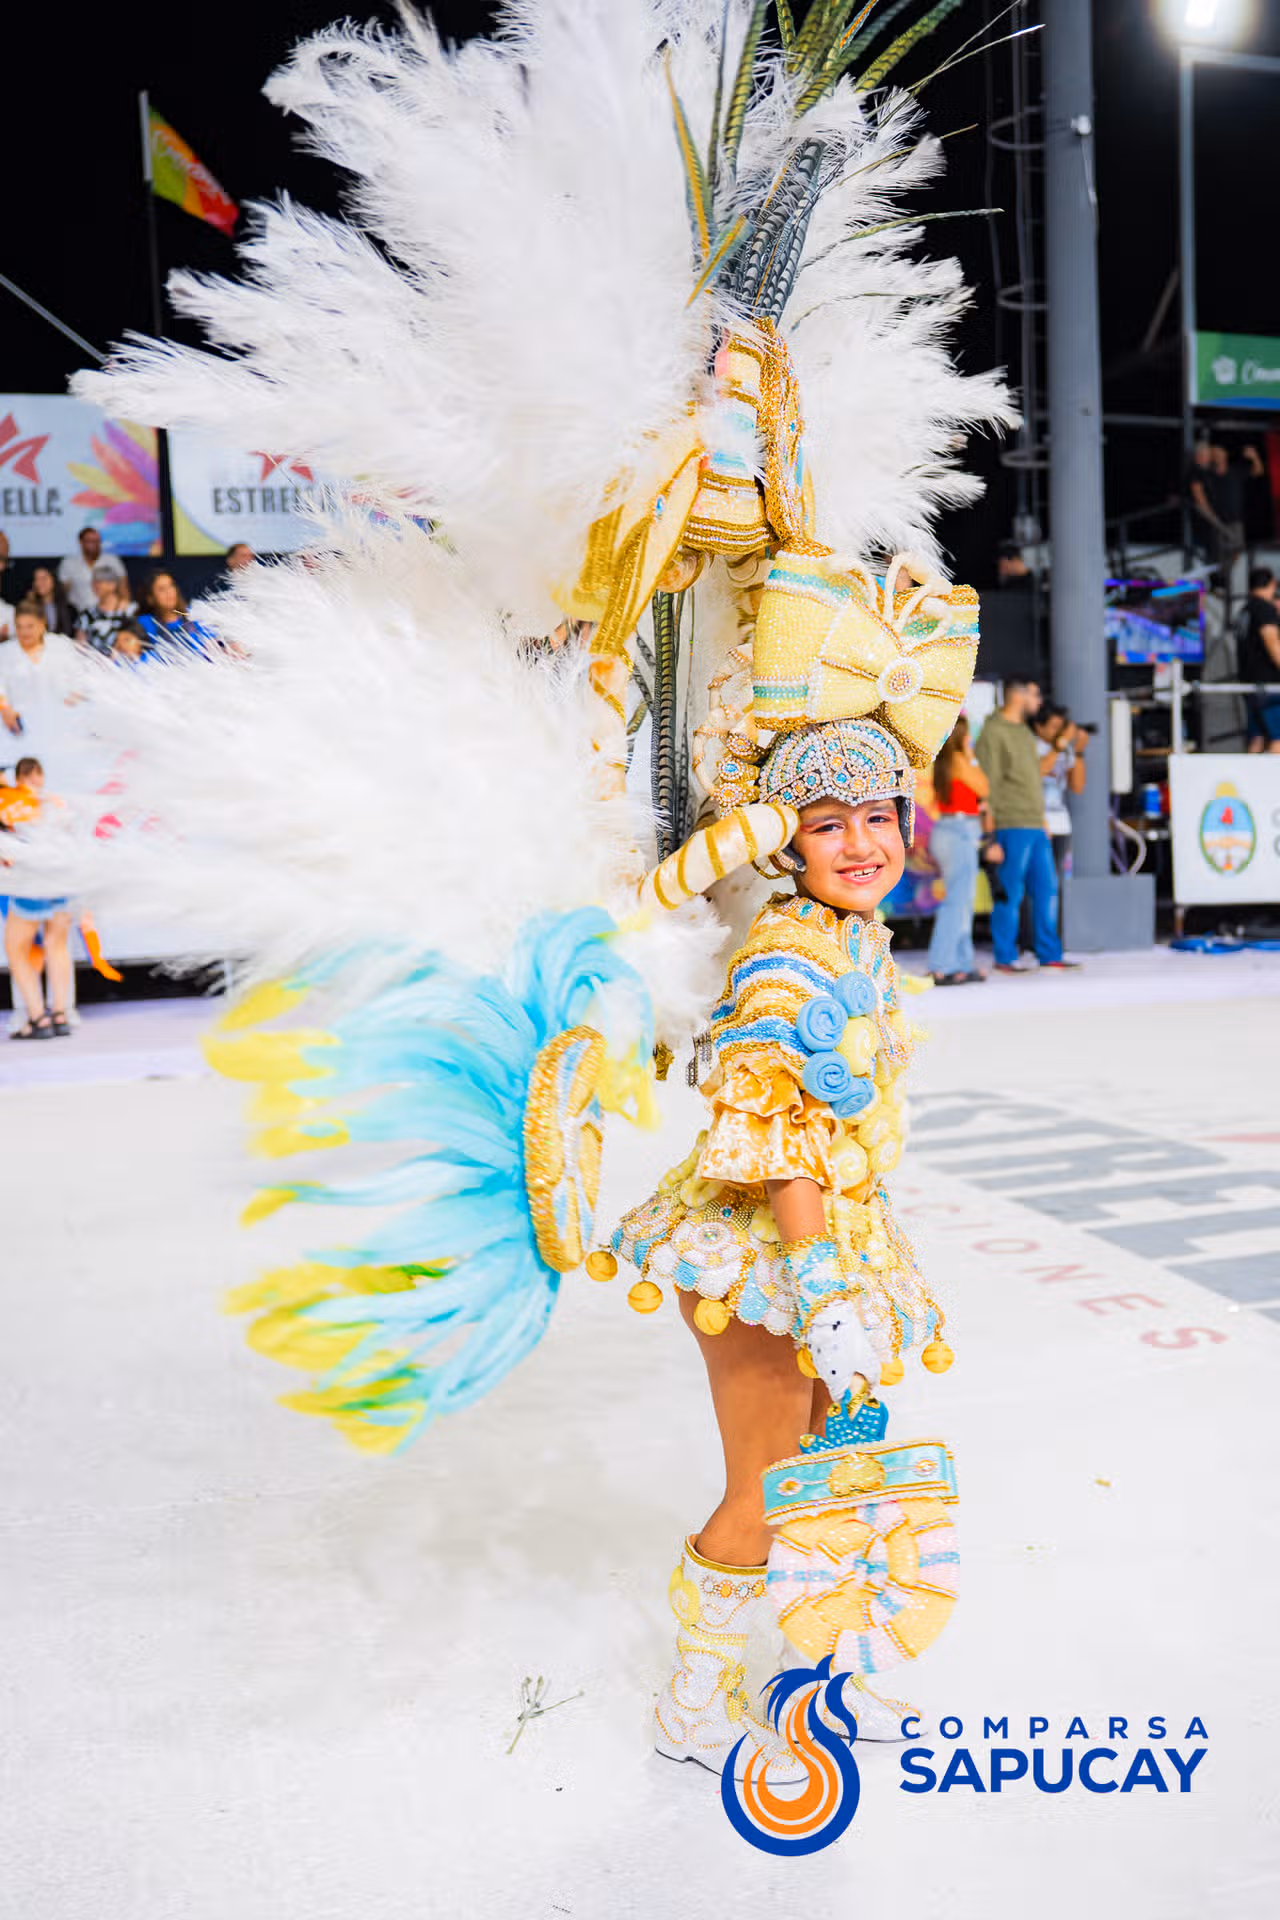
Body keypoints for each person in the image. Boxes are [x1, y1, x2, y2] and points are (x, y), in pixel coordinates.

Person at [612, 717, 952, 1776]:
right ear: (783, 848)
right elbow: (772, 1146)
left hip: (831, 1244)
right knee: (761, 1487)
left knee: (822, 1469)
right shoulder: (782, 959)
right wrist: (822, 1290)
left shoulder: (850, 936)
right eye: (825, 825)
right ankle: (689, 1699)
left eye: (874, 817)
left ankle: (810, 1674)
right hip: (764, 1259)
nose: (860, 842)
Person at [975, 676, 1077, 973]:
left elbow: (1033, 777)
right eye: (1035, 695)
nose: (1040, 702)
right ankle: (1005, 957)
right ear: (1018, 696)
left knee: (1047, 890)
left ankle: (1049, 953)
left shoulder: (1022, 731)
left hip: (1034, 824)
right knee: (1010, 893)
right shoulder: (993, 732)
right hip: (1010, 823)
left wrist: (1042, 819)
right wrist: (990, 836)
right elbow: (986, 784)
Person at [0, 757, 74, 1039]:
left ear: (18, 778)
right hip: (63, 881)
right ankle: (60, 1014)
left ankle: (37, 1018)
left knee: (17, 951)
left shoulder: (7, 803)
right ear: (39, 776)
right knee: (57, 945)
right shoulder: (53, 802)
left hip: (30, 882)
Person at [927, 714, 991, 985]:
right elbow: (985, 787)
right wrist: (971, 756)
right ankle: (941, 965)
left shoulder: (946, 761)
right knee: (957, 902)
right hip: (959, 832)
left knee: (962, 901)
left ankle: (962, 964)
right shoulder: (958, 760)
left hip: (954, 831)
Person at [1033, 702, 1087, 891]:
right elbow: (1036, 772)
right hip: (1037, 823)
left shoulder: (1065, 749)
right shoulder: (1031, 746)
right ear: (1039, 727)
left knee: (1055, 882)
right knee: (1038, 881)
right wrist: (1060, 744)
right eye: (1054, 727)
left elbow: (1077, 786)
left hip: (1061, 823)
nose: (1059, 733)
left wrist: (1078, 751)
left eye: (1061, 727)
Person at [1237, 567, 1280, 752]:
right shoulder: (1264, 608)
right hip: (1268, 686)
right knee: (1278, 739)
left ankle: (1249, 779)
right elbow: (1273, 644)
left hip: (1250, 684)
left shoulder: (1245, 610)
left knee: (1256, 739)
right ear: (1271, 584)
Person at [137, 571, 220, 659]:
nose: (168, 592)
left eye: (171, 586)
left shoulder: (193, 615)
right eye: (161, 589)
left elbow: (214, 643)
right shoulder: (145, 622)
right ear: (151, 598)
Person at [58, 526, 127, 620]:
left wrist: (123, 606)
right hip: (78, 613)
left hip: (109, 612)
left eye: (97, 541)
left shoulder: (112, 561)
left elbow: (124, 589)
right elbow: (62, 592)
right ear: (81, 542)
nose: (94, 544)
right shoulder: (69, 563)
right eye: (89, 541)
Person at [76, 566, 138, 656]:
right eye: (94, 582)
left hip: (124, 662)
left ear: (112, 584)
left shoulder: (131, 610)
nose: (95, 585)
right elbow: (80, 645)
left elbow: (137, 641)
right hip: (94, 663)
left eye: (99, 581)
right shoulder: (87, 614)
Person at [26, 565, 75, 638]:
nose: (39, 582)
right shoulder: (30, 607)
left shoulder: (69, 609)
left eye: (43, 578)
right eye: (36, 579)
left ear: (54, 580)